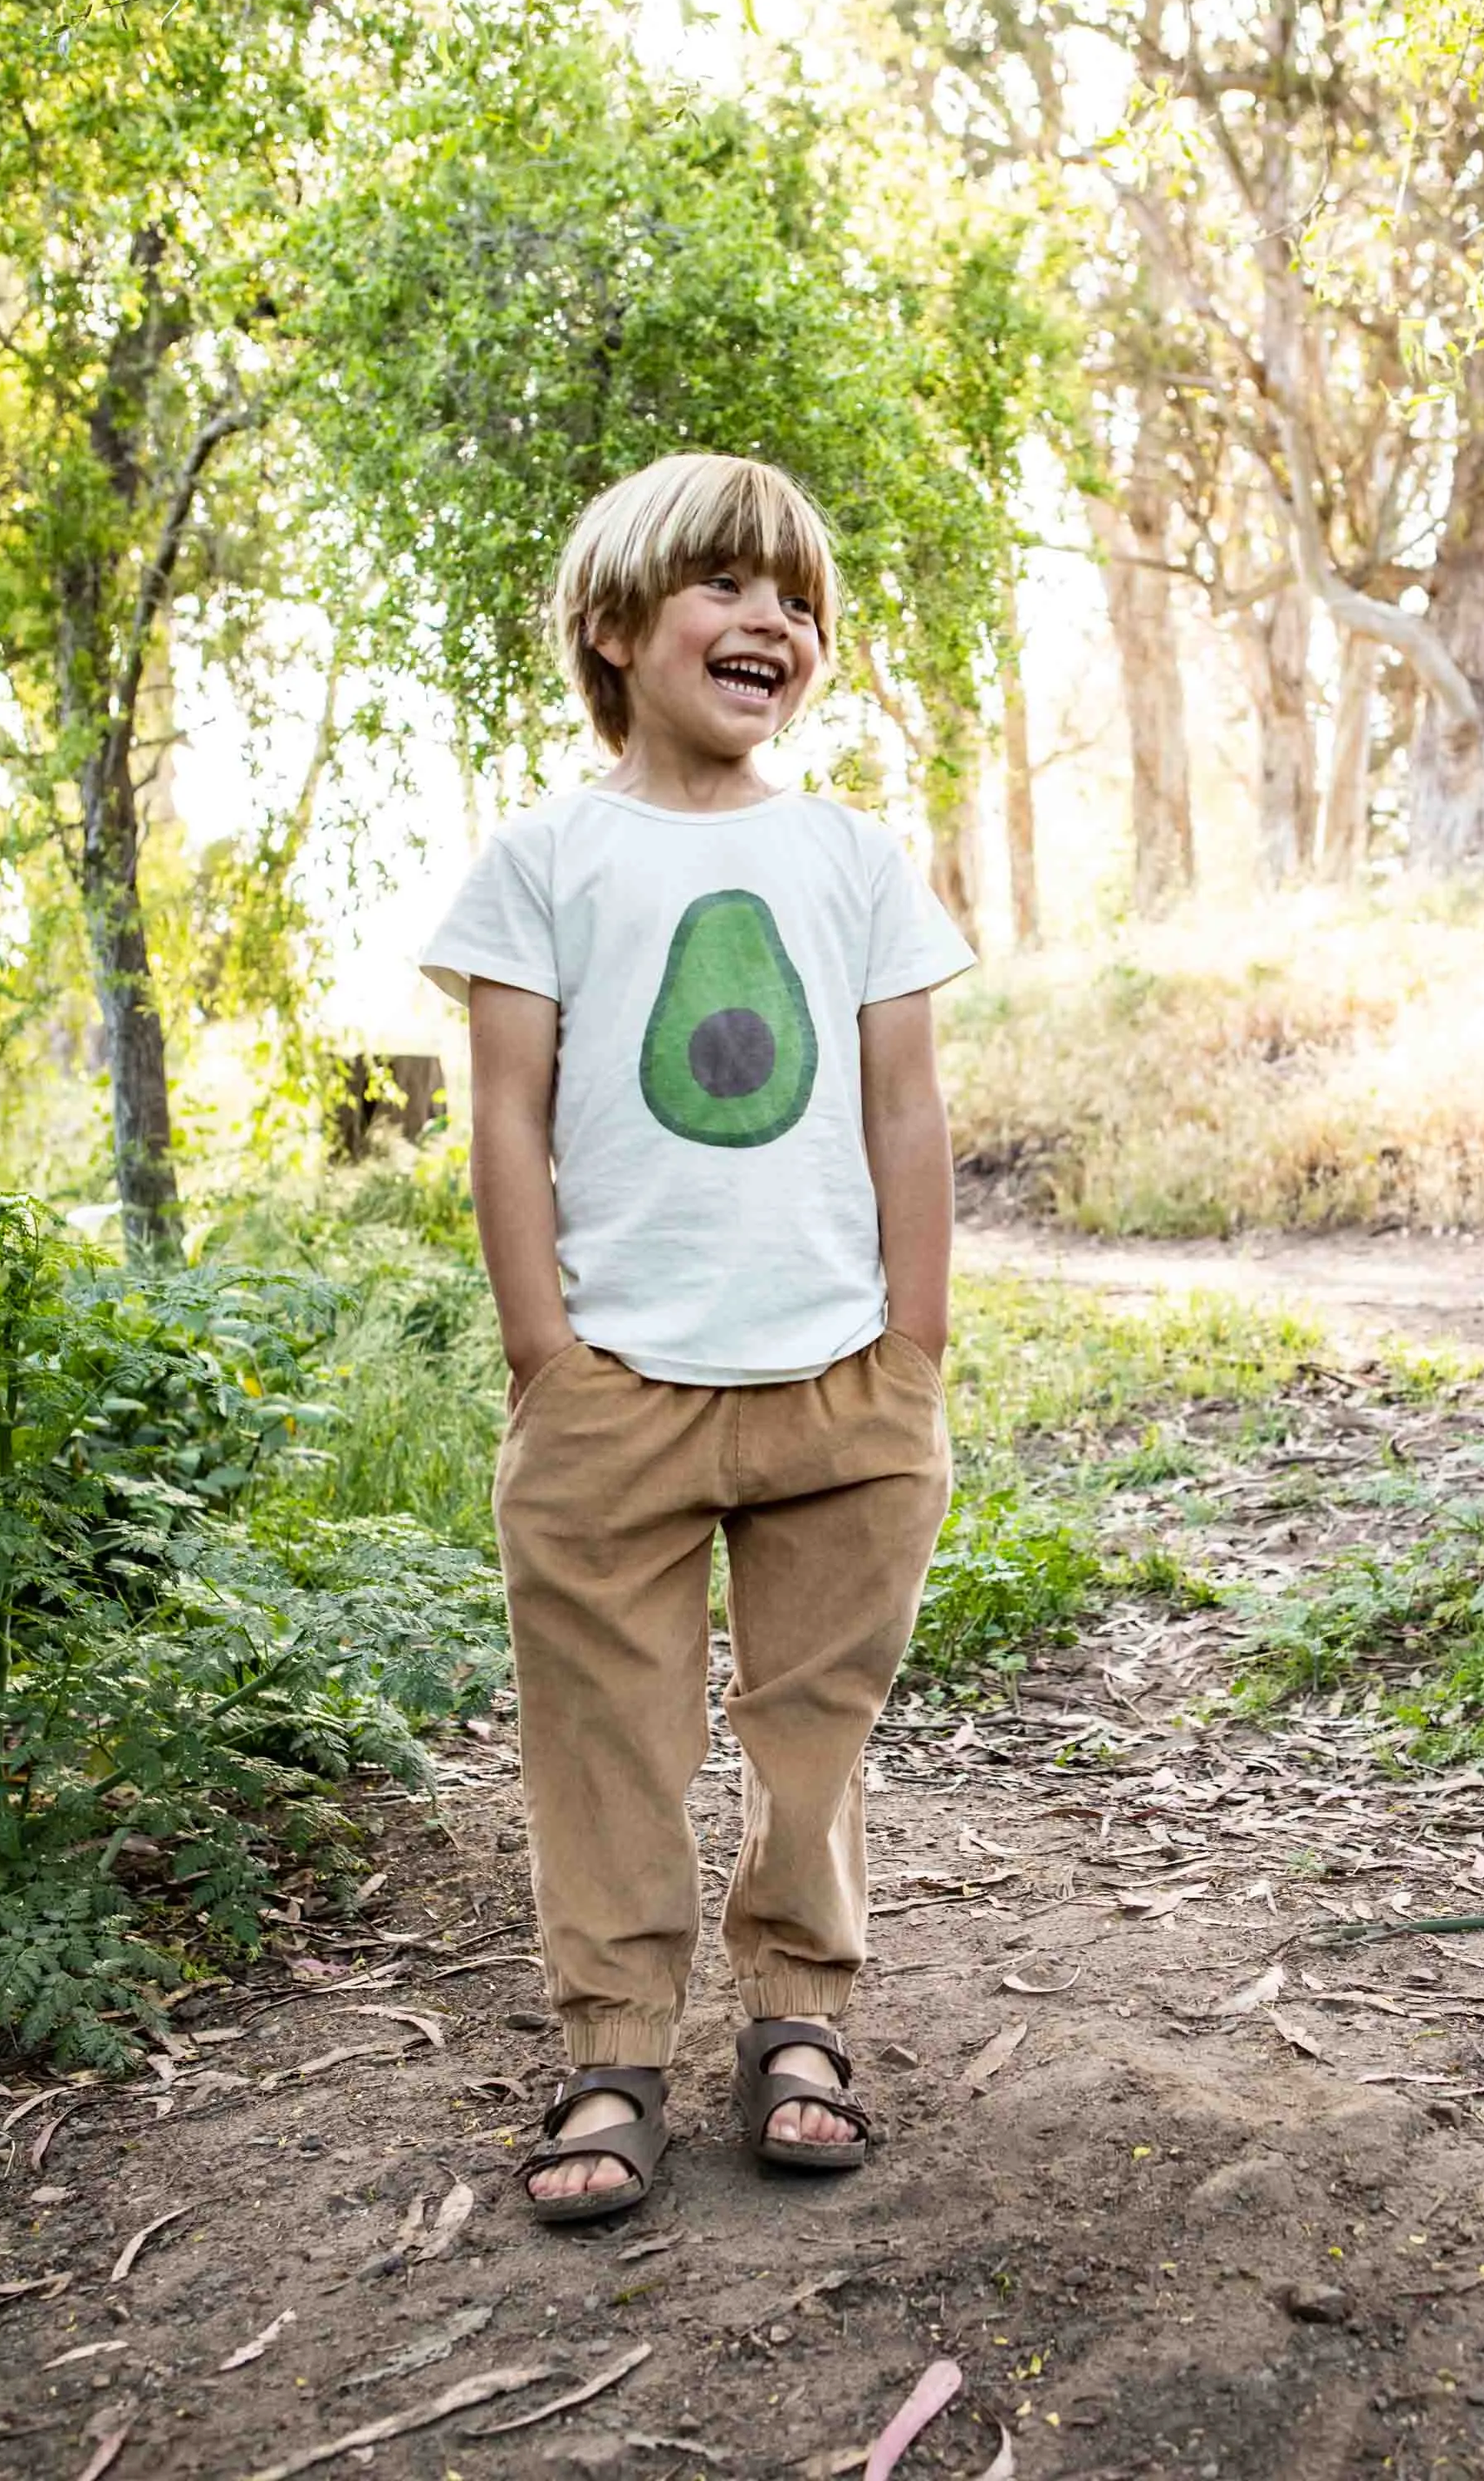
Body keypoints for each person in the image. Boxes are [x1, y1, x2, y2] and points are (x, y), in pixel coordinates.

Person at [420, 452, 973, 2221]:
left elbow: (906, 1110)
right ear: (611, 627)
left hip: (840, 1383)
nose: (774, 623)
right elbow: (509, 1116)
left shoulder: (853, 856)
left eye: (799, 602)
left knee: (815, 1721)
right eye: (726, 587)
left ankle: (799, 2016)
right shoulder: (547, 856)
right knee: (609, 1734)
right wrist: (544, 1356)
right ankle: (615, 2046)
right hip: (615, 1394)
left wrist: (917, 1351)